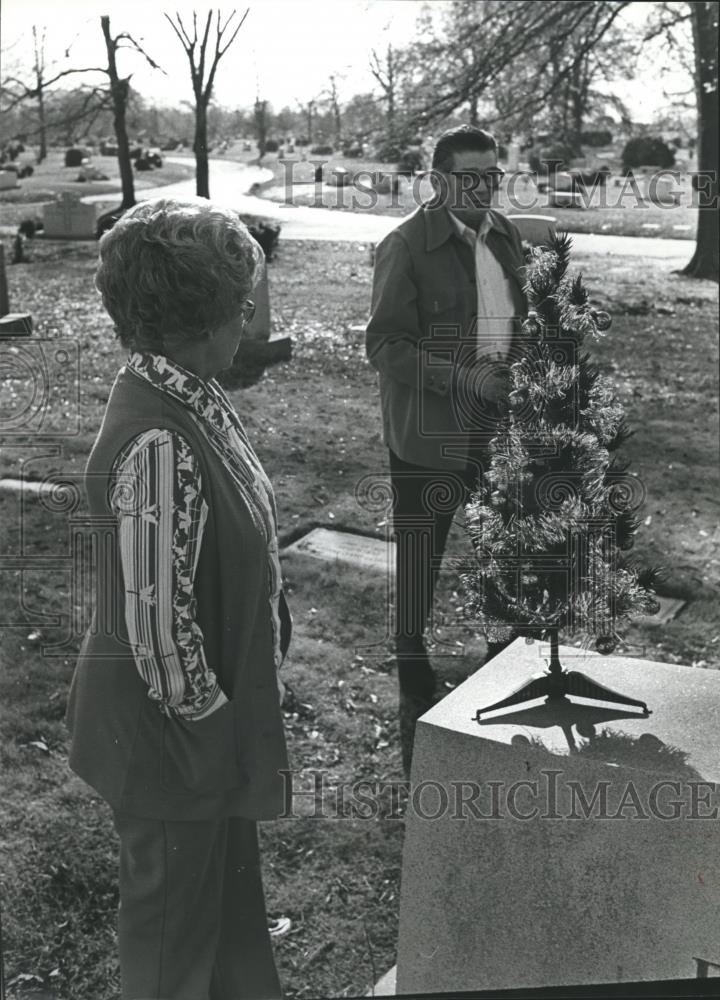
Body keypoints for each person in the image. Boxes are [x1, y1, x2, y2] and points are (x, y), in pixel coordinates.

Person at [66, 197, 291, 1000]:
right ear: (204, 317)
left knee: (221, 914)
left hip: (199, 730)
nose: (251, 320)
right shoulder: (158, 439)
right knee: (169, 942)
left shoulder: (189, 388)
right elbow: (158, 628)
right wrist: (213, 729)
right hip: (171, 738)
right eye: (243, 306)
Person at [365, 126, 528, 775]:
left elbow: (521, 314)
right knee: (421, 553)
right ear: (437, 181)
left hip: (499, 427)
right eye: (471, 176)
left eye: (493, 174)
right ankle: (411, 656)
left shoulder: (506, 234)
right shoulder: (405, 246)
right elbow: (384, 345)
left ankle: (502, 655)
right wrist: (462, 377)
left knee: (504, 542)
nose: (485, 187)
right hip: (430, 432)